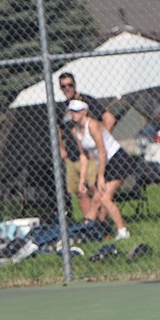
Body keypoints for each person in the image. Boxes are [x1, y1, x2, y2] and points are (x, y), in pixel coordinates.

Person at [67, 98, 131, 240]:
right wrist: (82, 181)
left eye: (77, 111)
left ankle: (123, 231)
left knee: (105, 198)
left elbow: (103, 152)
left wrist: (100, 176)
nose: (74, 115)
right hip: (105, 163)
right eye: (72, 112)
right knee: (95, 200)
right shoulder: (75, 131)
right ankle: (86, 229)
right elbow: (83, 156)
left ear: (84, 112)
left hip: (117, 160)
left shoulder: (93, 125)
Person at [56, 72, 105, 222]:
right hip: (72, 156)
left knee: (95, 189)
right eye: (63, 86)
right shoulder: (63, 107)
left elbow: (108, 119)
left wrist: (100, 142)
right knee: (80, 192)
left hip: (89, 156)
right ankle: (88, 223)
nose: (67, 88)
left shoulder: (86, 101)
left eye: (70, 85)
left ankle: (102, 223)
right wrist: (61, 148)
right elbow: (59, 129)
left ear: (75, 84)